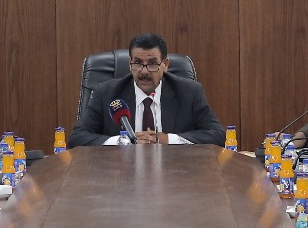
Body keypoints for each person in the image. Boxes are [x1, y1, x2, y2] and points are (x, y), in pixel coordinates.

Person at [69, 33, 224, 147]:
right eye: (137, 63)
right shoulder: (106, 93)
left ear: (165, 65)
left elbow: (217, 135)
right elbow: (77, 138)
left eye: (152, 63)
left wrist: (167, 139)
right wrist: (124, 141)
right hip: (120, 176)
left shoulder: (189, 92)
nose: (144, 71)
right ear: (129, 64)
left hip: (175, 174)